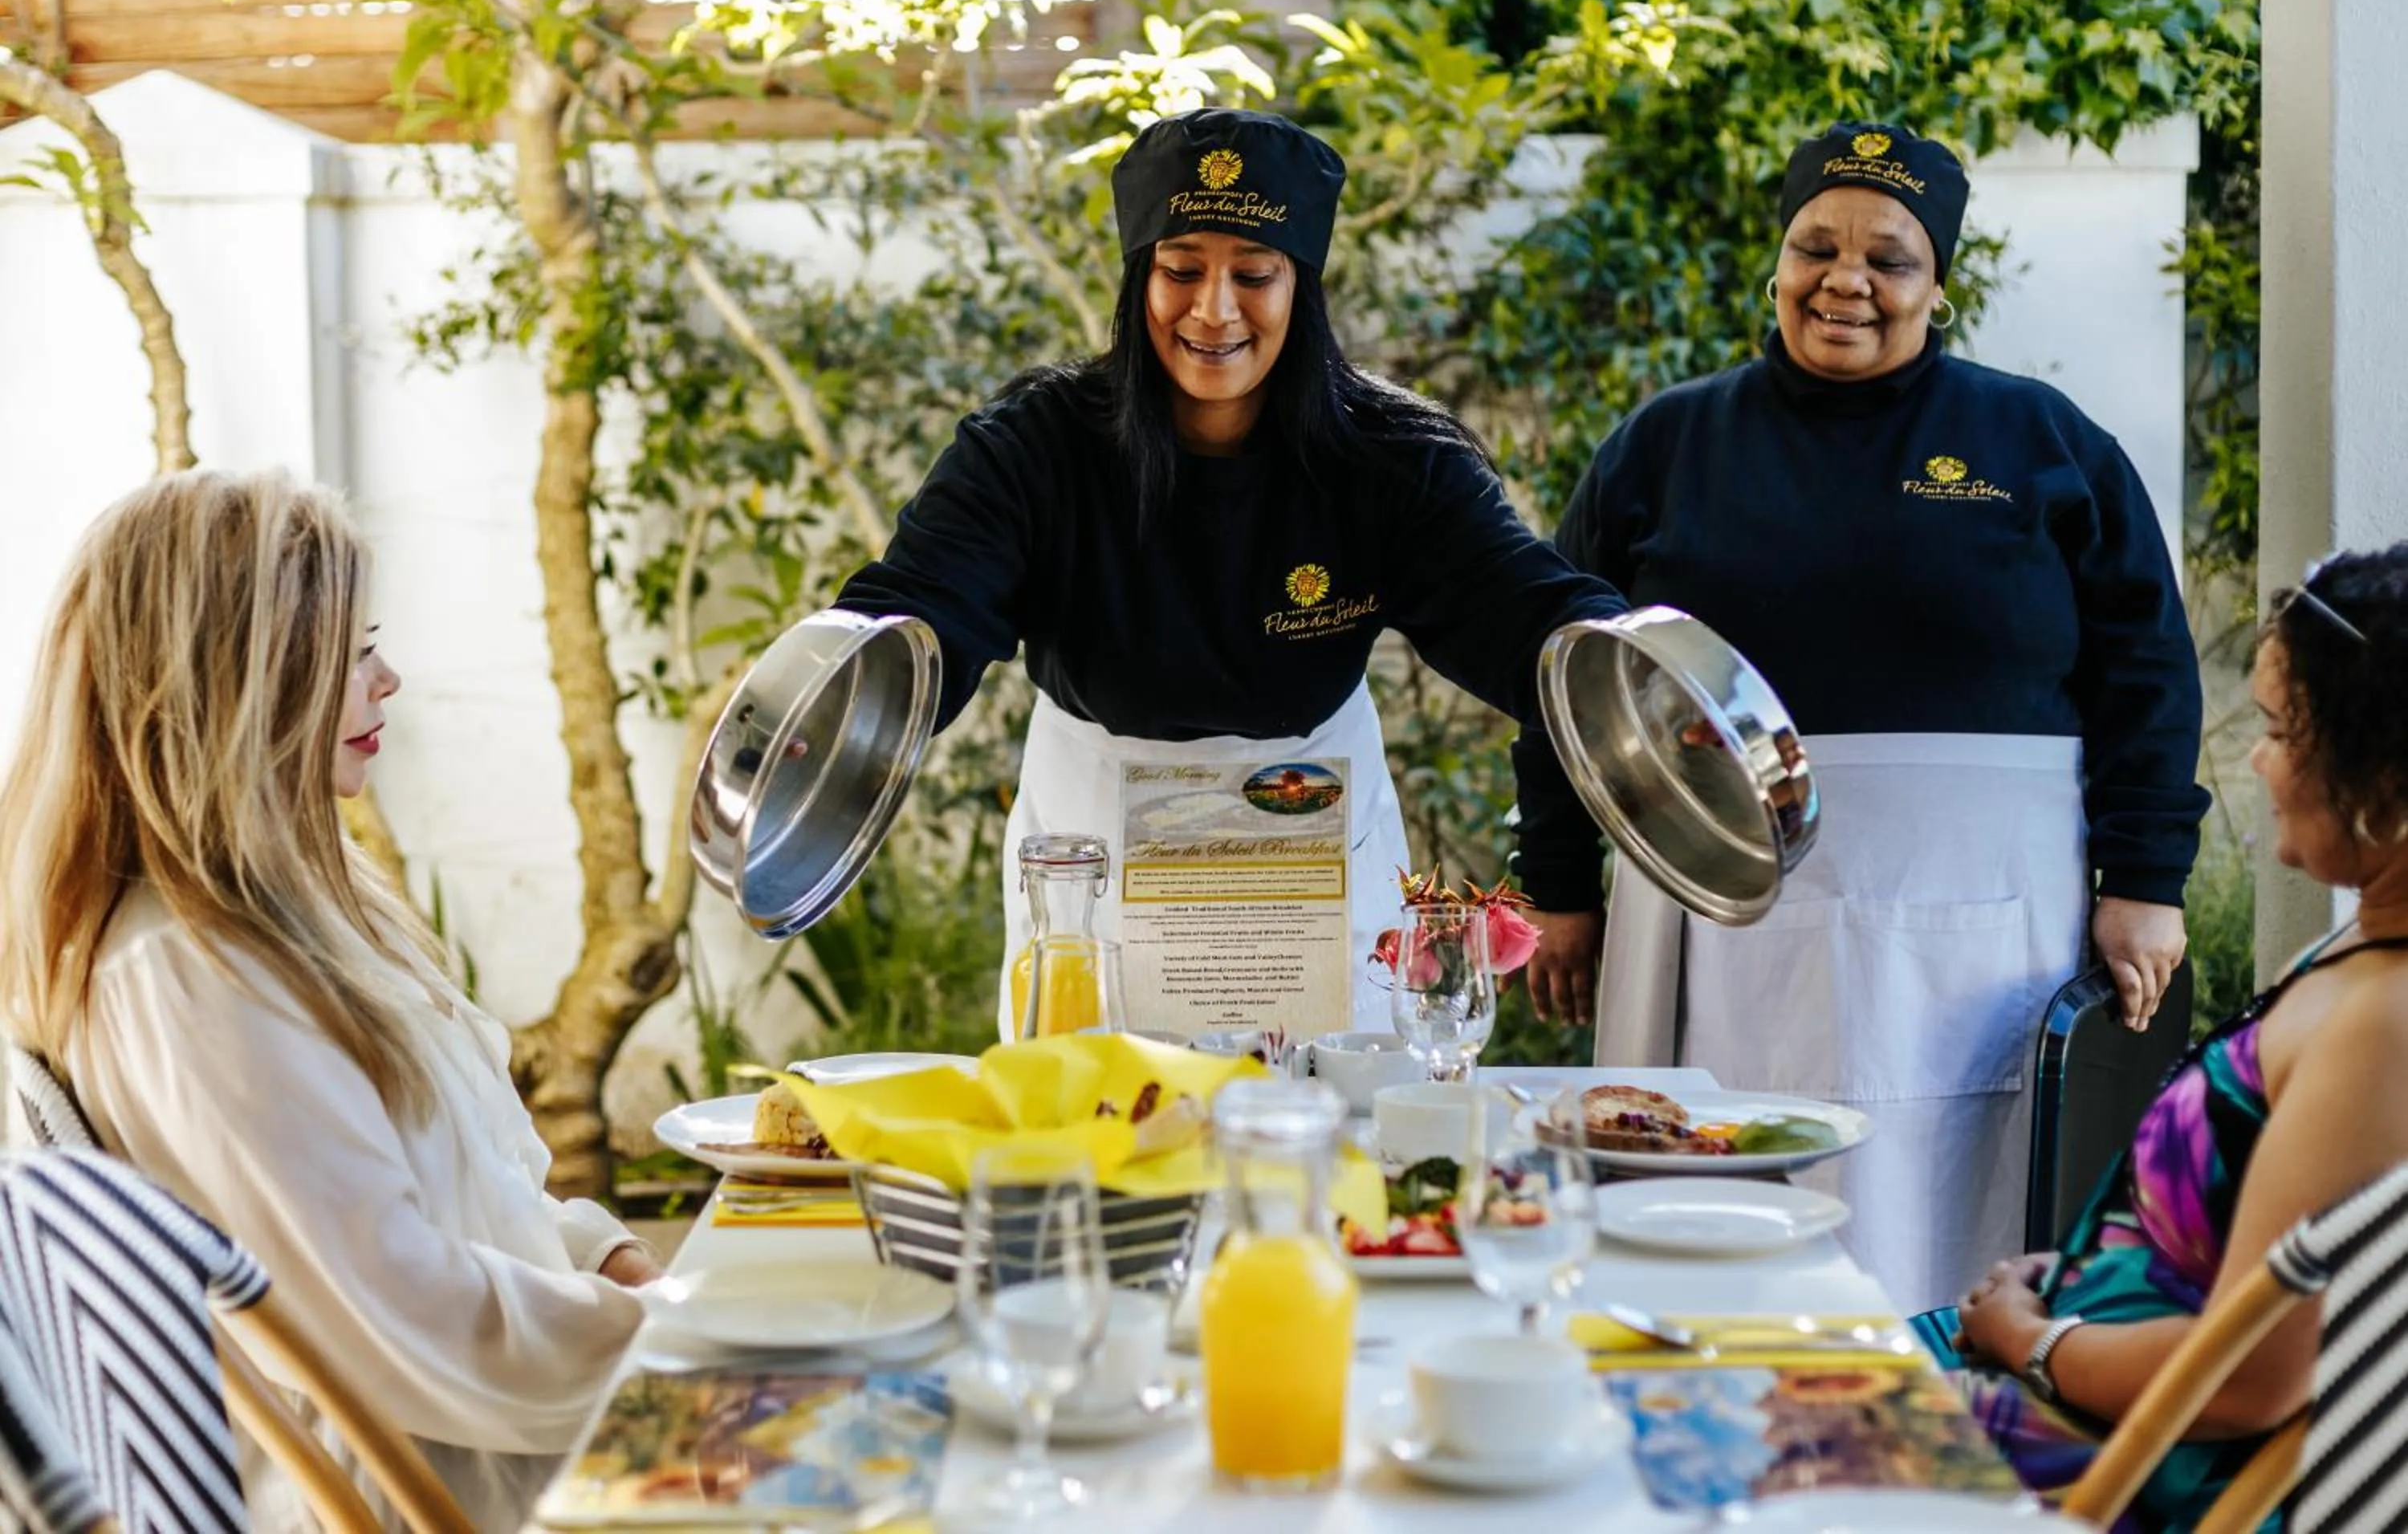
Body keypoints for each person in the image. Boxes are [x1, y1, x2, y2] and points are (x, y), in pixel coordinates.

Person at [1511, 121, 2207, 1312]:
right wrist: (1561, 888)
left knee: (1962, 1223)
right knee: (1710, 1217)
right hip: (1711, 914)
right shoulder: (1667, 447)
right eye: (1815, 247)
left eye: (1890, 258)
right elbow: (1565, 679)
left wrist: (2146, 877)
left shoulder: (2040, 443)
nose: (1847, 280)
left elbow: (2147, 665)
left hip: (1981, 933)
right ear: (1776, 265)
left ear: (1939, 287)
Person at [835, 107, 1624, 1031]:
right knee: (1098, 1136)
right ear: (1139, 281)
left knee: (1331, 1136)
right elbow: (925, 607)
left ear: (1302, 288)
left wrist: (1625, 669)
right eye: (1180, 271)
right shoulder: (1034, 449)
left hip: (1312, 840)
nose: (1214, 310)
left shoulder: (1393, 460)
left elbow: (1522, 611)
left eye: (1254, 274)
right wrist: (844, 697)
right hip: (1097, 846)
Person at [0, 470, 649, 1534]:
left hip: (501, 1424)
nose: (388, 678)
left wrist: (605, 1256)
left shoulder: (311, 909)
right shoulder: (185, 977)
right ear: (238, 682)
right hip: (447, 1482)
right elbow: (393, 1312)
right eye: (354, 649)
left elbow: (481, 1181)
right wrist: (667, 1341)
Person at [1918, 547, 2408, 1530]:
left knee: (1708, 1419)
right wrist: (2060, 1294)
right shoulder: (2368, 947)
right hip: (2086, 1389)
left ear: (2382, 779)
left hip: (2123, 1468)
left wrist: (2035, 1340)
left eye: (2280, 730)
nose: (2259, 761)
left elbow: (2248, 1382)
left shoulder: (2385, 1029)